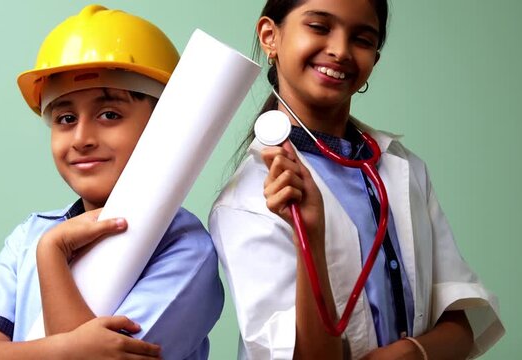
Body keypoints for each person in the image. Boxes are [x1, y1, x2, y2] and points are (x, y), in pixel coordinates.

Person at [208, 0, 504, 359]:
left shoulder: (401, 165)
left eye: (362, 39)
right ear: (271, 36)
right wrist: (311, 239)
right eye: (319, 27)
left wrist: (410, 353)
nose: (340, 50)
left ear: (374, 60)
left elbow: (462, 320)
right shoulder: (248, 200)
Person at [0, 5, 223, 359]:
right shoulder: (31, 236)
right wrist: (66, 347)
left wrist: (52, 257)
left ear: (165, 124)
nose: (82, 137)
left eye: (109, 114)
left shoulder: (183, 249)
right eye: (65, 118)